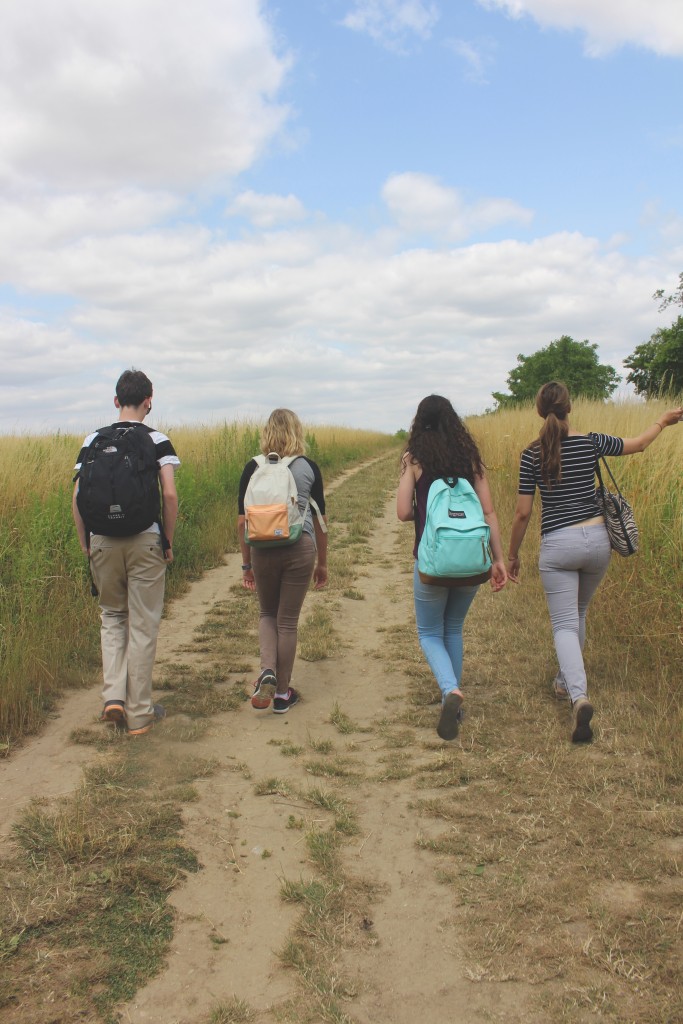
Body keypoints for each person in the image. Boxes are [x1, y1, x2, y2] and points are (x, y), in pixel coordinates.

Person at [507, 381, 682, 743]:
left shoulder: (530, 455)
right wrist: (662, 421)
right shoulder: (592, 442)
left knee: (564, 625)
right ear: (569, 408)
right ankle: (563, 682)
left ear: (539, 411)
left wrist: (512, 555)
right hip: (598, 540)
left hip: (558, 545)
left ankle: (578, 695)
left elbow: (523, 514)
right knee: (579, 612)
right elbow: (639, 444)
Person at [72, 369, 179, 735]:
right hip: (144, 537)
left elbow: (76, 498)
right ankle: (139, 715)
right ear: (149, 400)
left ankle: (114, 697)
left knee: (113, 617)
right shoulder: (157, 439)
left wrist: (87, 541)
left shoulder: (92, 440)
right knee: (143, 624)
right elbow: (168, 494)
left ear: (116, 401)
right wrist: (167, 540)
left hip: (101, 538)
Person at [397, 395, 507, 741]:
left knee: (429, 633)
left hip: (432, 562)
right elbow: (489, 513)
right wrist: (498, 560)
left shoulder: (416, 459)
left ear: (420, 424)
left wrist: (412, 484)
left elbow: (402, 512)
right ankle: (454, 706)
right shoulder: (469, 459)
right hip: (472, 562)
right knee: (454, 628)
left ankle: (450, 691)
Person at [237, 409, 328, 714]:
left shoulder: (253, 467)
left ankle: (267, 671)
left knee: (267, 613)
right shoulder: (308, 468)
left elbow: (241, 523)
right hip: (298, 548)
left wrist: (246, 565)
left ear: (266, 433)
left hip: (262, 550)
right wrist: (322, 563)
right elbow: (320, 522)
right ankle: (283, 694)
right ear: (297, 432)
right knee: (287, 621)